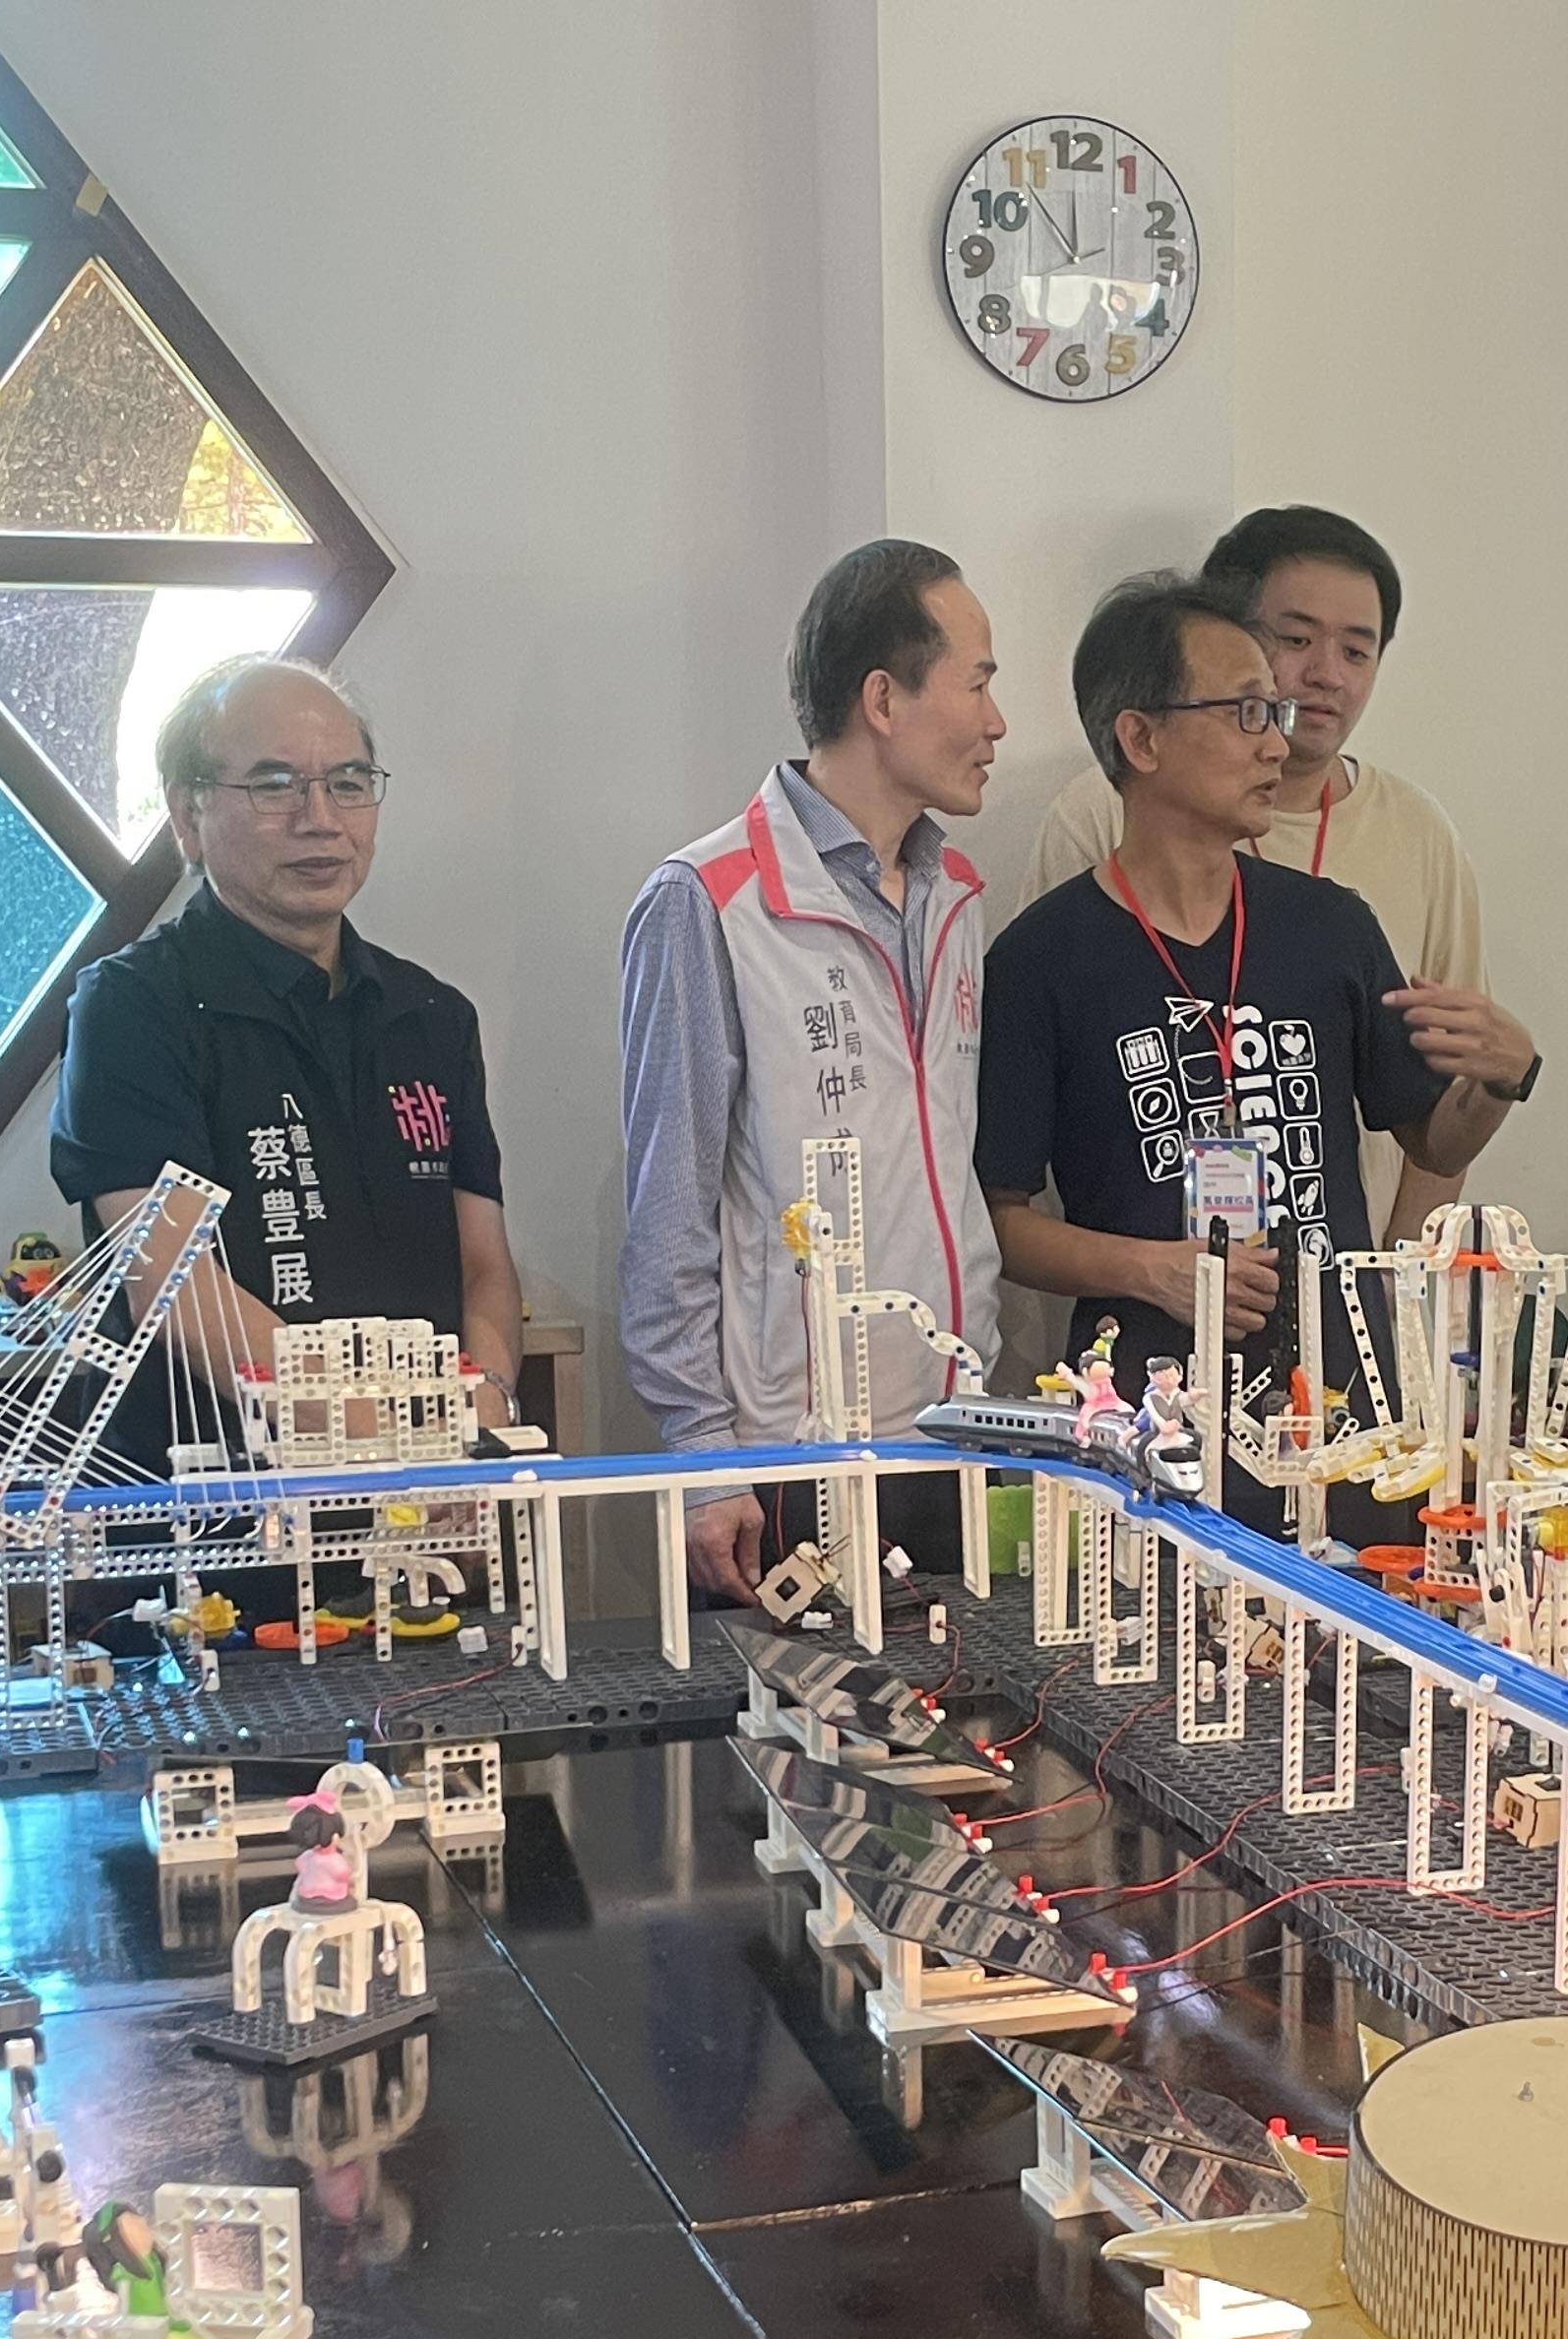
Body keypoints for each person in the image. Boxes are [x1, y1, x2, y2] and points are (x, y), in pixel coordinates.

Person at [977, 570, 1533, 1517]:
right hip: (1142, 1422)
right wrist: (1153, 1269)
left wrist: (1502, 1079)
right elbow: (1000, 1221)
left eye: (1273, 712)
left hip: (1343, 1413)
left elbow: (1434, 1143)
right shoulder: (1041, 959)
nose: (1277, 741)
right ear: (1141, 739)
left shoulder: (1329, 927)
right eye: (1245, 713)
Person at [619, 539, 1005, 1604]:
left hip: (953, 1435)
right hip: (786, 1454)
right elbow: (667, 1211)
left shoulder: (957, 892)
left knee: (965, 1708)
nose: (997, 722)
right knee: (802, 1715)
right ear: (883, 699)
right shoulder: (709, 898)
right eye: (978, 683)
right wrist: (705, 1455)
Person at [50, 657, 521, 1472]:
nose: (321, 819)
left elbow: (482, 1265)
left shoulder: (433, 1016)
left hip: (431, 1491)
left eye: (348, 783)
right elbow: (174, 1284)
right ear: (188, 816)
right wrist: (384, 1437)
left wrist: (485, 1406)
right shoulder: (131, 1007)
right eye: (274, 786)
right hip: (214, 1494)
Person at [1028, 506, 1516, 1237]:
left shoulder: (1415, 836)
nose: (1326, 675)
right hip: (1147, 1283)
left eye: (1358, 651)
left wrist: (1394, 1275)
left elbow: (1438, 1110)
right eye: (1295, 640)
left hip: (1339, 1277)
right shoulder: (1100, 814)